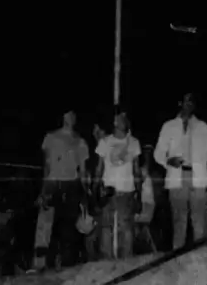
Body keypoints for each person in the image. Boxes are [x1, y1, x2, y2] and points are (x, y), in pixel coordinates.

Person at [154, 93, 207, 251]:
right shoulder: (168, 126)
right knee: (179, 221)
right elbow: (158, 154)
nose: (189, 104)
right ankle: (178, 258)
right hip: (177, 176)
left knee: (199, 220)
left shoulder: (203, 127)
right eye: (186, 101)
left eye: (192, 101)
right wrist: (169, 161)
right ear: (180, 103)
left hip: (198, 177)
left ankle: (201, 256)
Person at [40, 109, 89, 269]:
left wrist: (85, 190)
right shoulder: (51, 137)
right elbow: (47, 165)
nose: (71, 117)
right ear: (62, 116)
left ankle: (68, 264)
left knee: (70, 226)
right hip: (54, 184)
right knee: (51, 225)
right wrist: (44, 189)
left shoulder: (80, 141)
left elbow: (82, 169)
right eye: (68, 114)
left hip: (72, 184)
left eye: (74, 115)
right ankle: (48, 262)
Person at [95, 109, 142, 259]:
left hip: (126, 190)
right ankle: (106, 262)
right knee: (106, 227)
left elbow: (136, 170)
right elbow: (99, 167)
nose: (124, 121)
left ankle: (126, 261)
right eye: (121, 118)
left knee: (126, 227)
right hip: (108, 191)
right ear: (115, 121)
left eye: (125, 118)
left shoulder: (134, 142)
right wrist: (95, 190)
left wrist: (139, 193)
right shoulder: (105, 142)